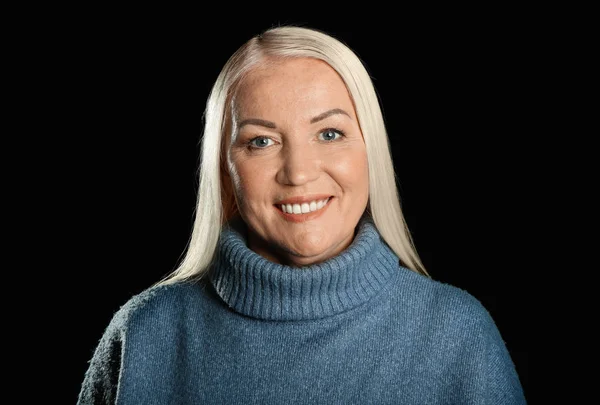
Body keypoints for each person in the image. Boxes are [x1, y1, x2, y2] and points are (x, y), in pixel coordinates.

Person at [77, 26, 526, 404]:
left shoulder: (456, 335)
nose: (298, 173)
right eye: (261, 141)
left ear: (373, 151)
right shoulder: (144, 335)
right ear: (224, 168)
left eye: (330, 133)